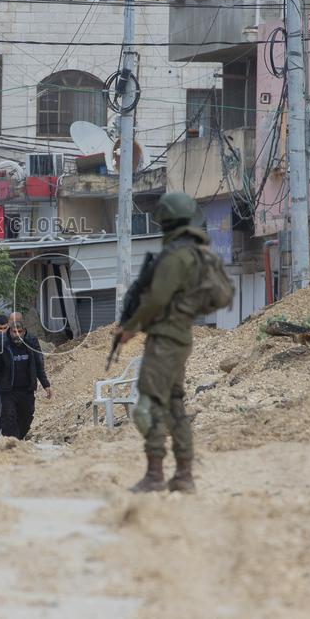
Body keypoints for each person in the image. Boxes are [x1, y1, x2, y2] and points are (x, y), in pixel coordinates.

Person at [113, 192, 211, 494]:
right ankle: (184, 474)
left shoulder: (175, 257)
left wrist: (131, 328)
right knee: (174, 405)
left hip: (165, 340)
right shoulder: (194, 255)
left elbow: (157, 299)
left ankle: (155, 473)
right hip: (180, 336)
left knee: (149, 407)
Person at [0, 313, 53, 440]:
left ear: (24, 331)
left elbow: (39, 364)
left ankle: (18, 438)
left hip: (26, 389)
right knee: (9, 417)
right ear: (9, 330)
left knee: (27, 416)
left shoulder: (32, 340)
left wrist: (46, 384)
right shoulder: (2, 342)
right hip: (8, 390)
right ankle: (10, 441)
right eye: (14, 331)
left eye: (19, 332)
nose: (17, 334)